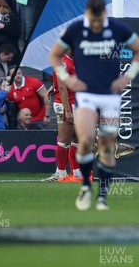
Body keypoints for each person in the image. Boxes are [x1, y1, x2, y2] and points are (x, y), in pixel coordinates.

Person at [49, 0, 139, 211]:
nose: (95, 24)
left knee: (107, 147)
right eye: (92, 21)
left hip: (110, 96)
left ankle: (102, 196)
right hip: (86, 96)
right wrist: (67, 78)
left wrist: (128, 76)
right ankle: (85, 186)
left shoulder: (116, 28)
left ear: (103, 13)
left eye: (98, 21)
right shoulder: (75, 29)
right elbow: (54, 55)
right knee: (85, 141)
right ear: (87, 14)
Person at [43, 52, 81, 183]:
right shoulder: (63, 62)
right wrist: (67, 110)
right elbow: (63, 87)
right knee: (64, 140)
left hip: (73, 103)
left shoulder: (72, 60)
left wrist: (53, 86)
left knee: (77, 138)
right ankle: (60, 174)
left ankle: (76, 173)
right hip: (65, 104)